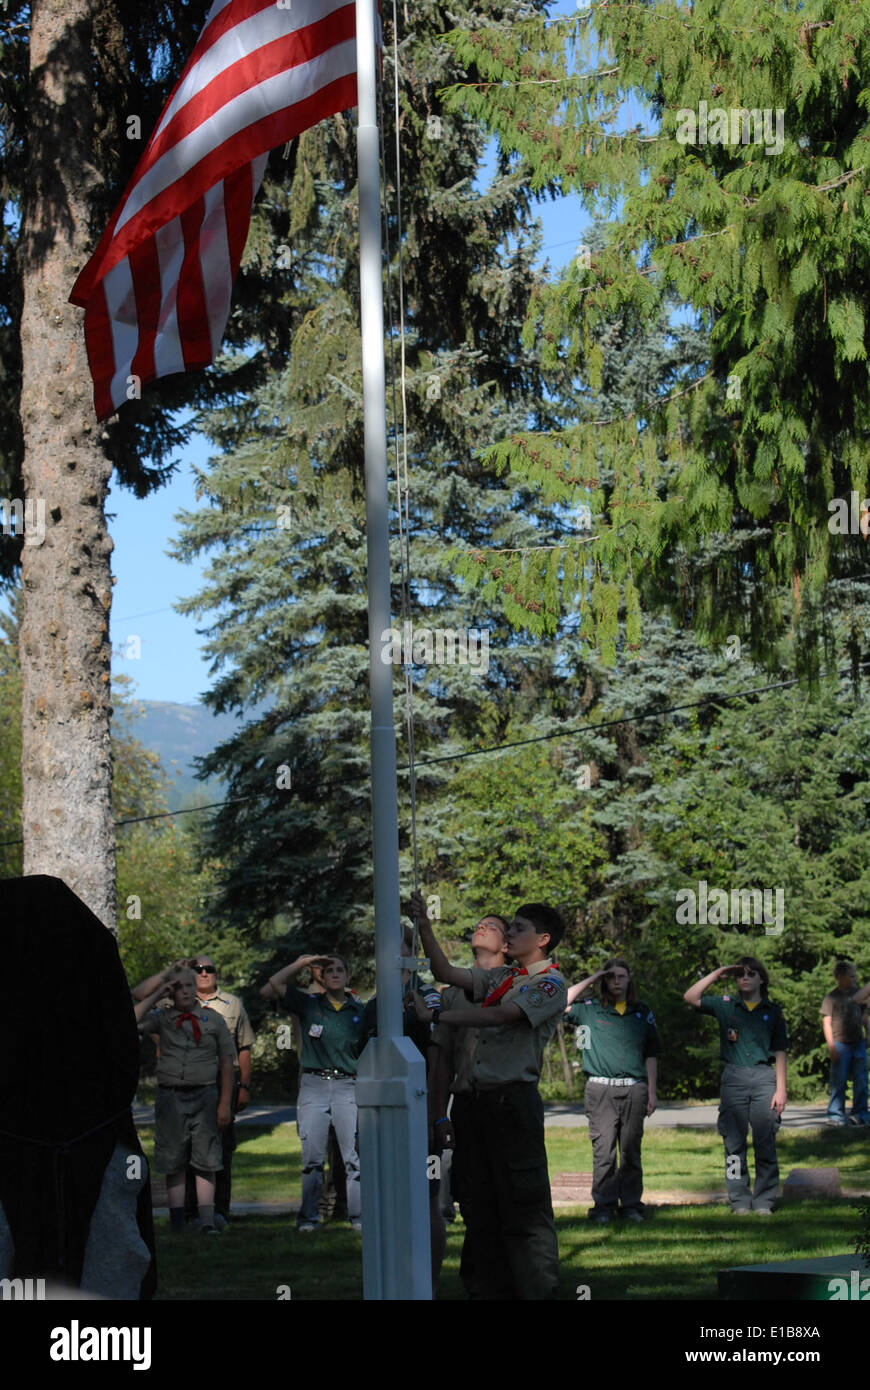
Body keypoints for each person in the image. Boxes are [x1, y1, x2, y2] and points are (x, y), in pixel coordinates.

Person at [415, 892, 566, 1300]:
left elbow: (502, 1015)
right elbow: (445, 969)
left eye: (519, 928)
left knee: (523, 1206)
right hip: (474, 1106)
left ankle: (536, 1290)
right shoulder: (505, 978)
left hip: (510, 1105)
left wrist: (438, 1016)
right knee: (477, 1204)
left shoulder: (549, 983)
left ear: (544, 939)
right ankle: (485, 1290)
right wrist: (424, 925)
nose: (510, 934)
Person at [428, 912, 509, 1295]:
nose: (482, 927)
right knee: (471, 1198)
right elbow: (442, 1060)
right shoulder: (452, 994)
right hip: (466, 1104)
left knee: (509, 1197)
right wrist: (439, 1117)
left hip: (506, 1103)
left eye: (492, 926)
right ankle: (476, 1283)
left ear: (507, 946)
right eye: (479, 924)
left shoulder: (517, 984)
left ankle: (513, 1279)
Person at [260, 954, 364, 1232]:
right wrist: (301, 963)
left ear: (348, 977)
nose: (335, 974)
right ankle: (308, 1218)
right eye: (329, 970)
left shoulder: (359, 1009)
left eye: (341, 969)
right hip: (314, 1085)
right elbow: (273, 984)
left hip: (346, 1085)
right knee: (312, 1158)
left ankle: (358, 1217)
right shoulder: (309, 1005)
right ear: (320, 976)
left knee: (353, 1157)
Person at [134, 966, 235, 1235]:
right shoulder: (162, 1018)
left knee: (207, 1159)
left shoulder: (213, 1020)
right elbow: (131, 1019)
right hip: (171, 1095)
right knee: (173, 1159)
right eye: (179, 987)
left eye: (190, 986)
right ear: (172, 992)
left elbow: (227, 1063)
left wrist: (225, 1103)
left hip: (205, 1095)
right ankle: (177, 1222)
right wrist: (158, 993)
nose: (186, 991)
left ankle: (207, 1221)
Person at [684, 956, 787, 1215]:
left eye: (751, 974)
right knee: (733, 1143)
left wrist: (781, 1088)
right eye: (740, 974)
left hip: (764, 1078)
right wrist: (717, 973)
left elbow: (781, 1051)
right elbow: (691, 997)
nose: (745, 978)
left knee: (765, 1140)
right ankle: (739, 1200)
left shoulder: (772, 1011)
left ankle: (764, 1200)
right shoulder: (726, 1006)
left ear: (761, 979)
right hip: (734, 1078)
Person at [564, 958, 660, 1224]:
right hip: (600, 1088)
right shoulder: (589, 1010)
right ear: (604, 981)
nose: (616, 981)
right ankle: (603, 1206)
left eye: (621, 976)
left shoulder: (642, 1012)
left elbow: (652, 1053)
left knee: (631, 1150)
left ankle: (631, 1205)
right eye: (611, 977)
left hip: (634, 1088)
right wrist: (593, 977)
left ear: (629, 980)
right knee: (603, 1151)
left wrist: (651, 1092)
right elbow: (559, 1002)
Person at [821, 961, 870, 1126]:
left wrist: (868, 1033)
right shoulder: (831, 997)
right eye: (851, 975)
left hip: (858, 1043)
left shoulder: (859, 994)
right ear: (840, 977)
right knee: (838, 1081)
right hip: (840, 1044)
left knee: (861, 1080)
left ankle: (860, 1114)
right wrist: (831, 1046)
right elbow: (826, 1022)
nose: (855, 978)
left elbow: (864, 1017)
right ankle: (835, 1115)